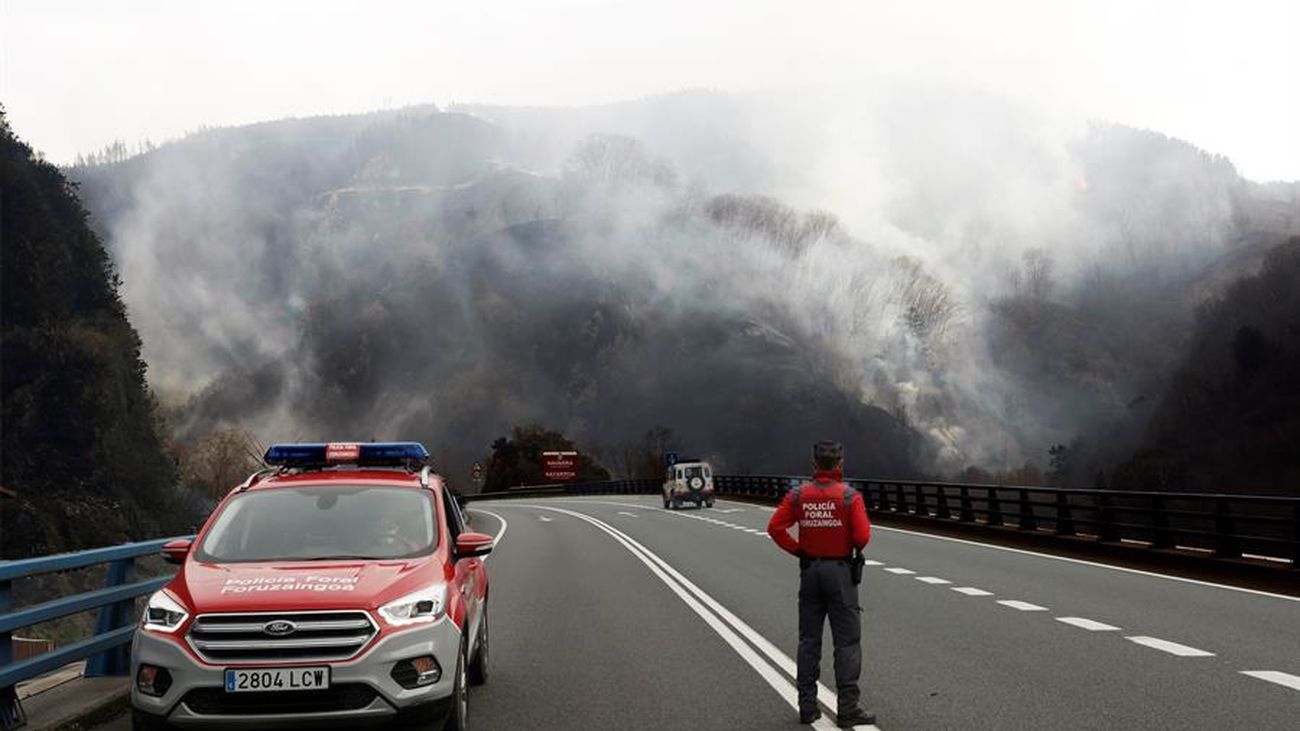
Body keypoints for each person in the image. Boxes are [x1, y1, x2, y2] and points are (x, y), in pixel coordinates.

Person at [768, 441, 875, 727]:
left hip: (810, 572)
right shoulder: (850, 497)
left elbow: (775, 528)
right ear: (840, 465)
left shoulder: (798, 495)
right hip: (840, 573)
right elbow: (863, 537)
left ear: (814, 465)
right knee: (847, 643)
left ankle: (807, 707)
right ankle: (848, 709)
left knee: (809, 641)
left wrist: (798, 549)